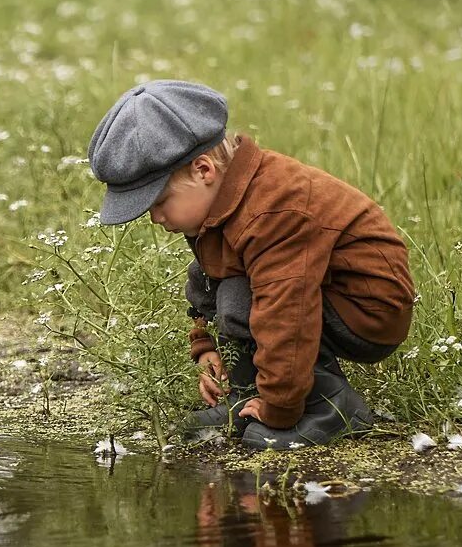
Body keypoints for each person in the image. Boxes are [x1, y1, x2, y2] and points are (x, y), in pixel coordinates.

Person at [88, 80, 415, 448]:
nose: (155, 218)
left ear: (203, 170)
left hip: (365, 311)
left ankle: (330, 406)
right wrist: (207, 346)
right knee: (223, 283)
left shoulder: (274, 209)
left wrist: (279, 408)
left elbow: (287, 313)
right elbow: (207, 277)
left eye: (158, 202)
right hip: (315, 293)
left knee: (243, 298)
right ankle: (244, 392)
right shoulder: (219, 203)